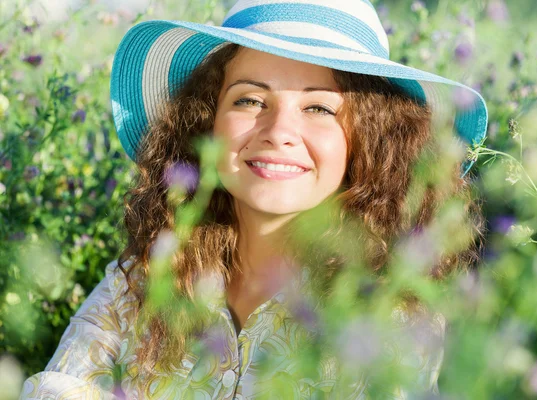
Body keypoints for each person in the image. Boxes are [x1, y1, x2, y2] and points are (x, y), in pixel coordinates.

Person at [20, 0, 488, 398]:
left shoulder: (391, 313)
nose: (279, 132)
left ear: (367, 140)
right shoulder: (142, 283)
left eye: (319, 108)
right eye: (249, 100)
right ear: (207, 121)